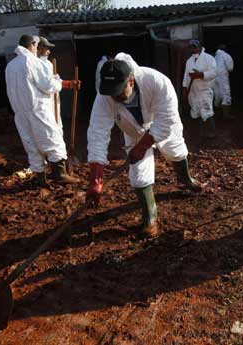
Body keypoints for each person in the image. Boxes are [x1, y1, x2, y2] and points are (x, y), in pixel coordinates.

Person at [86, 53, 203, 238]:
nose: (114, 97)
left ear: (131, 81)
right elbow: (97, 134)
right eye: (111, 92)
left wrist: (142, 147)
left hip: (162, 124)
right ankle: (150, 218)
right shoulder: (105, 96)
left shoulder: (157, 82)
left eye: (119, 91)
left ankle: (185, 179)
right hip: (133, 132)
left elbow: (166, 120)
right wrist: (95, 180)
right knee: (138, 174)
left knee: (175, 151)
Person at [6, 35, 79, 186]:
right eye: (37, 45)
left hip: (20, 112)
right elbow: (47, 85)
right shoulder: (31, 61)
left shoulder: (10, 66)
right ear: (32, 45)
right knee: (53, 140)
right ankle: (60, 175)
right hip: (37, 109)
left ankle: (40, 178)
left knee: (31, 144)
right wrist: (59, 84)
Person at [182, 39, 217, 138]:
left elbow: (214, 73)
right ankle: (199, 133)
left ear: (199, 47)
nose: (193, 49)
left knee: (206, 111)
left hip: (204, 90)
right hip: (193, 91)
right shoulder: (189, 61)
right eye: (191, 47)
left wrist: (201, 75)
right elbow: (186, 76)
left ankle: (212, 132)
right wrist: (184, 89)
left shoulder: (208, 58)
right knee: (195, 111)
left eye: (194, 46)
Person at [213, 44, 235, 120]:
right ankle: (226, 115)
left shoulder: (215, 57)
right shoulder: (226, 56)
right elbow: (230, 68)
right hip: (222, 78)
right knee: (226, 95)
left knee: (217, 96)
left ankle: (217, 115)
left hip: (214, 78)